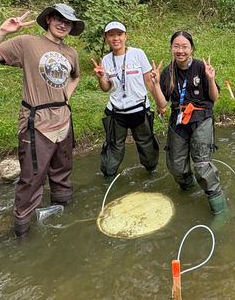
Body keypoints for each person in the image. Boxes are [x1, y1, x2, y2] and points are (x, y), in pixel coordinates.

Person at [0, 4, 84, 238]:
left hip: (63, 121)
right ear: (49, 20)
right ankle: (23, 235)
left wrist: (65, 97)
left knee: (63, 174)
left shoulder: (71, 53)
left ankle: (65, 223)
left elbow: (76, 77)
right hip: (37, 123)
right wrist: (2, 32)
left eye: (68, 22)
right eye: (59, 19)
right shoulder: (27, 43)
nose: (63, 25)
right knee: (31, 179)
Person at [150, 31, 226, 214]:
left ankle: (220, 210)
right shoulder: (168, 72)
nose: (180, 50)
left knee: (202, 166)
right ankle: (189, 192)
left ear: (191, 48)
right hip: (178, 118)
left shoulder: (201, 67)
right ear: (171, 48)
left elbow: (214, 98)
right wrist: (154, 84)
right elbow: (162, 104)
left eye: (185, 46)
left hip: (201, 118)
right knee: (176, 167)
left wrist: (210, 78)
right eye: (176, 46)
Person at [92, 21, 159, 178]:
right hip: (116, 112)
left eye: (119, 34)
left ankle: (153, 176)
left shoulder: (138, 54)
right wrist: (101, 77)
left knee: (146, 145)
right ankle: (108, 178)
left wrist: (159, 104)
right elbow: (106, 88)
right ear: (106, 37)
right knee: (114, 147)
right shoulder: (107, 60)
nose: (116, 38)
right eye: (111, 35)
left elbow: (149, 81)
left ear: (125, 36)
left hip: (140, 109)